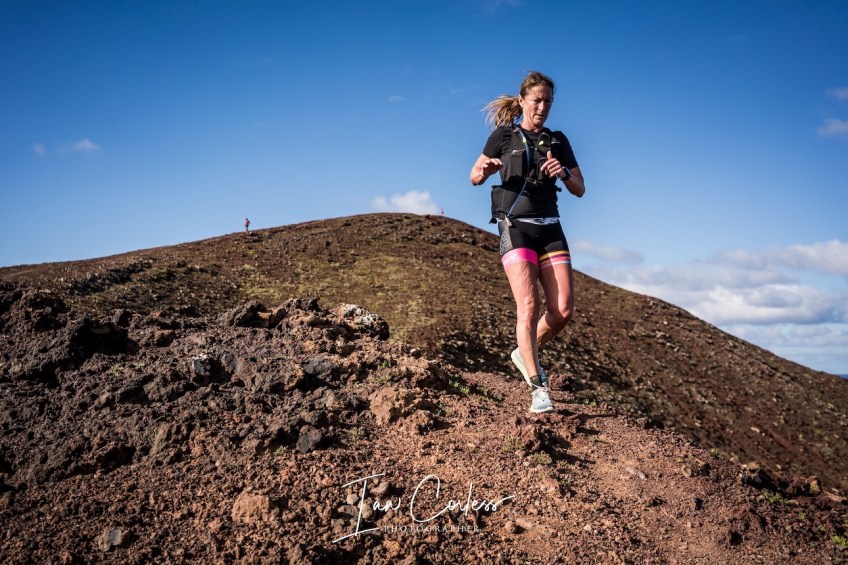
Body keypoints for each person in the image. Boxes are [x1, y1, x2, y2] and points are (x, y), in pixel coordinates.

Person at [469, 71, 585, 414]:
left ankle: (524, 352)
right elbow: (474, 176)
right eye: (536, 100)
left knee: (562, 311)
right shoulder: (503, 136)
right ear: (522, 101)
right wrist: (486, 170)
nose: (542, 107)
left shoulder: (558, 140)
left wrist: (563, 172)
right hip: (515, 225)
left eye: (548, 101)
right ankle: (538, 389)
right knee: (529, 307)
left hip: (551, 227)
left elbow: (580, 188)